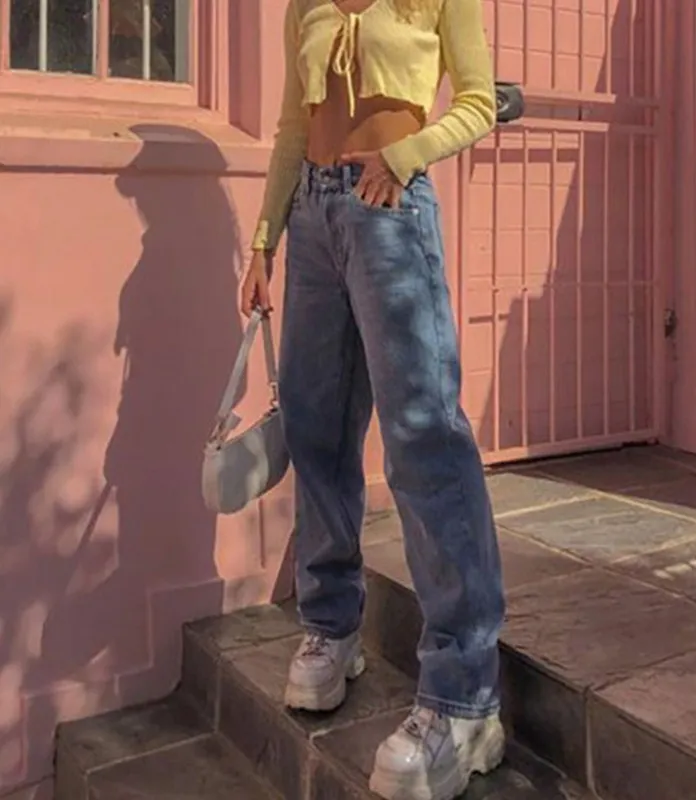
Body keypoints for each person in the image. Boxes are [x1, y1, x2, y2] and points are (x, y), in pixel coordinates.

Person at [240, 1, 506, 798]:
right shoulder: (308, 5)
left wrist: (406, 154)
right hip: (313, 218)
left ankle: (465, 697)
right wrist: (264, 239)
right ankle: (331, 626)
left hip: (392, 207)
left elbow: (479, 102)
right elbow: (294, 126)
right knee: (317, 431)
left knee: (424, 436)